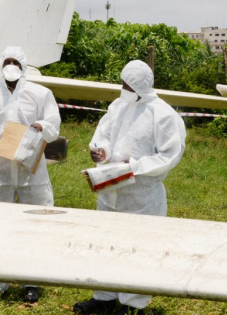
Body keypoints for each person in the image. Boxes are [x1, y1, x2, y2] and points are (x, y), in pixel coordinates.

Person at [73, 60, 186, 315]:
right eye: (122, 82)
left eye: (128, 84)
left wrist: (133, 165)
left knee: (138, 249)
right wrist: (100, 152)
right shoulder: (118, 105)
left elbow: (169, 155)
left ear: (140, 85)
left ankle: (133, 304)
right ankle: (104, 297)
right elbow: (103, 135)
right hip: (110, 190)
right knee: (106, 244)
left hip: (141, 197)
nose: (123, 87)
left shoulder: (163, 114)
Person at [0, 46, 61, 303]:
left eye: (16, 62)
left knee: (36, 224)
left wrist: (41, 126)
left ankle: (32, 280)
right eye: (7, 61)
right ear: (1, 64)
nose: (11, 65)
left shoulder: (40, 93)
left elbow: (54, 124)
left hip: (31, 171)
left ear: (24, 65)